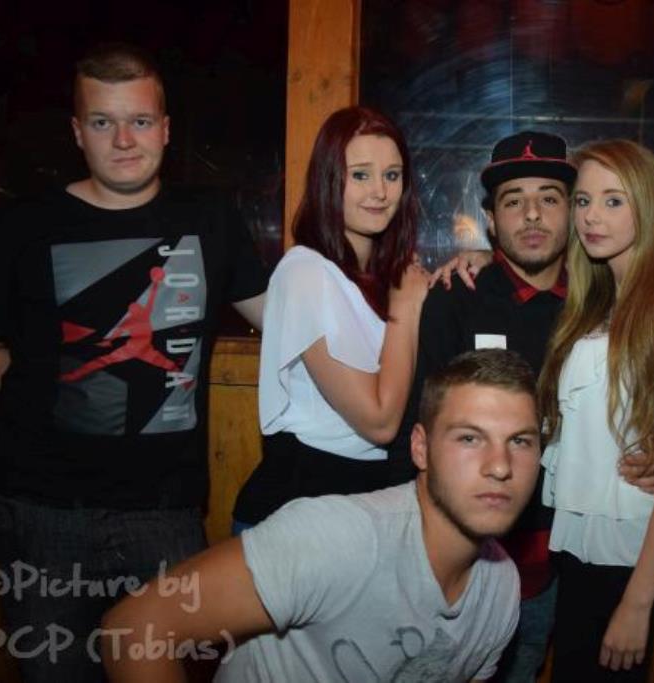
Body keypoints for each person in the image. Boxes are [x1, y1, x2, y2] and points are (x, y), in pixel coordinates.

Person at [0, 42, 267, 681]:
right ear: (77, 132)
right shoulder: (20, 227)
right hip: (41, 511)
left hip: (166, 512)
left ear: (166, 129)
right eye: (103, 122)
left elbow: (287, 320)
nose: (124, 140)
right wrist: (54, 388)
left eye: (140, 120)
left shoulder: (209, 219)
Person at [101, 348, 542, 682]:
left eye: (520, 441)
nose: (500, 466)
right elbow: (136, 628)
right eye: (469, 438)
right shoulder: (341, 537)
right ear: (421, 449)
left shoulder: (500, 592)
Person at [389, 130, 571, 682]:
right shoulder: (456, 297)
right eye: (514, 201)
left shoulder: (597, 301)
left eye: (549, 198)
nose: (532, 214)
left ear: (571, 212)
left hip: (561, 556)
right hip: (461, 557)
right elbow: (419, 430)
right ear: (491, 219)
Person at [538, 139, 654, 681]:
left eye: (613, 201)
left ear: (647, 206)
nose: (591, 216)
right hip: (581, 547)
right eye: (583, 201)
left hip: (631, 555)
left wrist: (638, 602)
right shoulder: (594, 302)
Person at [230, 106, 430, 532]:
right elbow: (379, 422)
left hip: (362, 504)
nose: (379, 191)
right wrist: (404, 308)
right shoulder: (306, 271)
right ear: (328, 180)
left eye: (392, 175)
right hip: (301, 507)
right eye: (360, 175)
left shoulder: (379, 277)